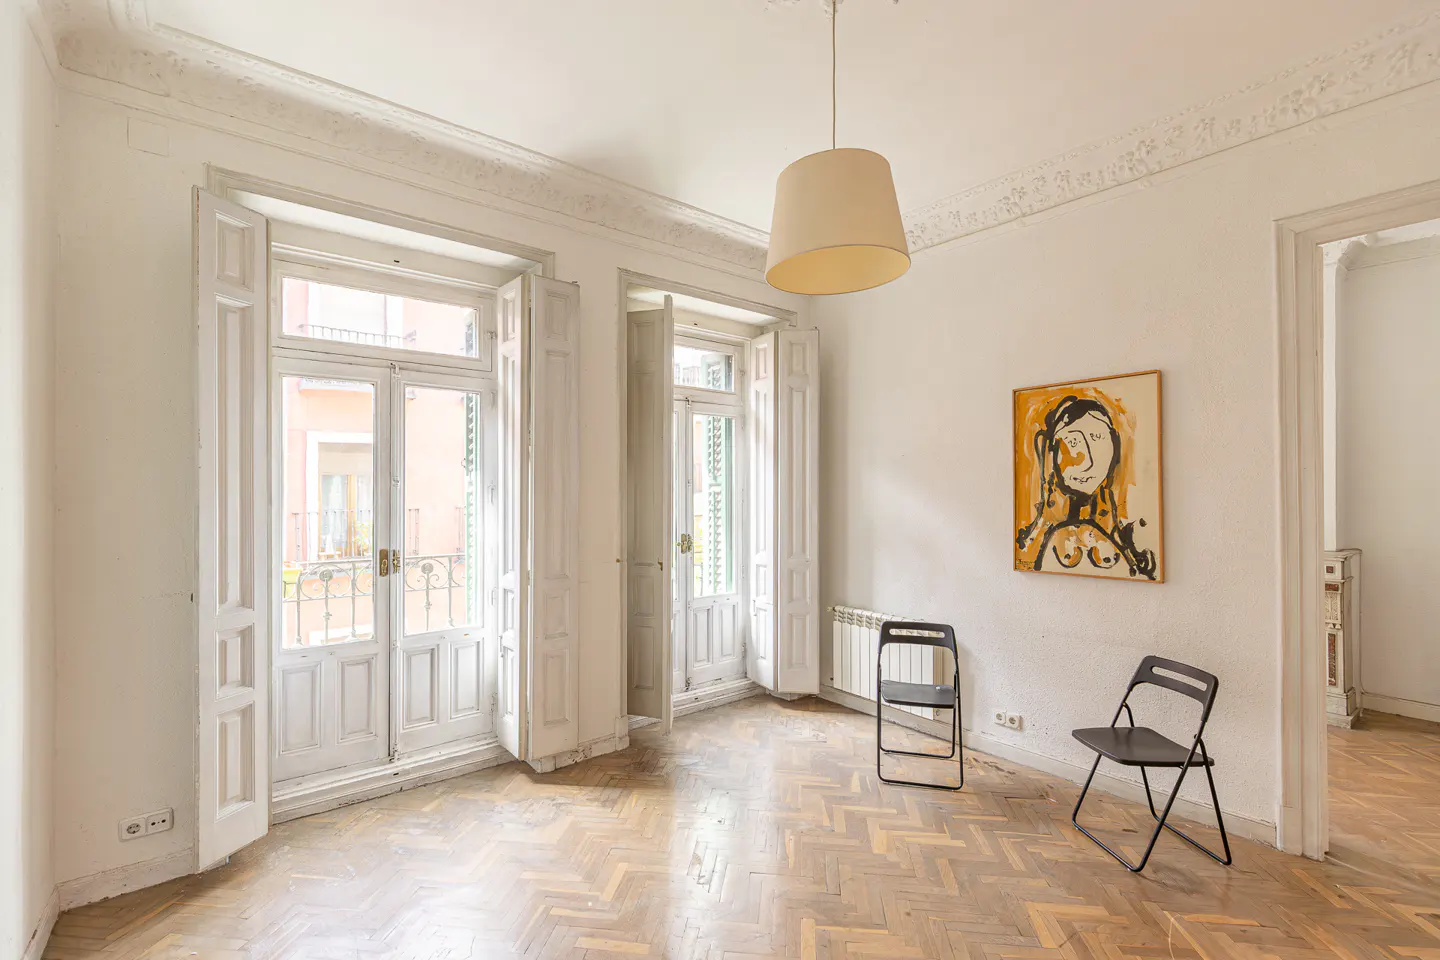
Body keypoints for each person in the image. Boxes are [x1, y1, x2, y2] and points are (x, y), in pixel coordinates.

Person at [1015, 395, 1157, 580]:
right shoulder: (1035, 539)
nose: (1088, 462)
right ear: (1050, 452)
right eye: (1073, 443)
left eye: (1097, 439)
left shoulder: (1128, 533)